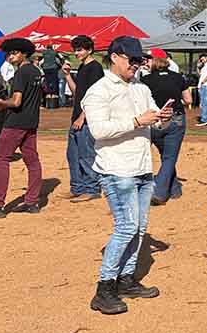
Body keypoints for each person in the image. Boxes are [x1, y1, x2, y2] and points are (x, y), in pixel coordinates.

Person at [83, 36, 171, 315]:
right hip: (117, 168)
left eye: (139, 60)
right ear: (115, 57)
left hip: (142, 166)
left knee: (139, 228)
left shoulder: (141, 89)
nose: (137, 65)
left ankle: (126, 279)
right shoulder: (98, 91)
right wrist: (136, 121)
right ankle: (104, 288)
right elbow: (98, 131)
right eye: (132, 60)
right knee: (126, 227)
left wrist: (161, 118)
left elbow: (152, 123)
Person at [0, 38, 44, 218]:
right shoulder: (36, 71)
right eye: (8, 54)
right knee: (32, 160)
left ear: (24, 53)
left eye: (14, 53)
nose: (10, 56)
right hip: (31, 122)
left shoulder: (21, 73)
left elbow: (16, 101)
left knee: (1, 159)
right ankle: (32, 201)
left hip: (15, 122)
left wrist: (0, 103)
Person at [142, 52, 192, 205]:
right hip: (176, 119)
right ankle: (162, 192)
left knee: (166, 156)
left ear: (156, 61)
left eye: (148, 59)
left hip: (154, 121)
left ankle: (174, 189)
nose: (145, 62)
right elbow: (188, 100)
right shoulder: (178, 77)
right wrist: (175, 102)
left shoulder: (145, 80)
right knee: (169, 157)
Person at [65, 35, 106, 202]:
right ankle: (77, 187)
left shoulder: (95, 68)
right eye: (75, 50)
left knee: (86, 154)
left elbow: (95, 97)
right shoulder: (82, 67)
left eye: (80, 49)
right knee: (72, 155)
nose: (76, 53)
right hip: (76, 117)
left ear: (89, 50)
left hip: (87, 120)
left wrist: (83, 117)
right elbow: (77, 93)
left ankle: (92, 188)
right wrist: (67, 75)